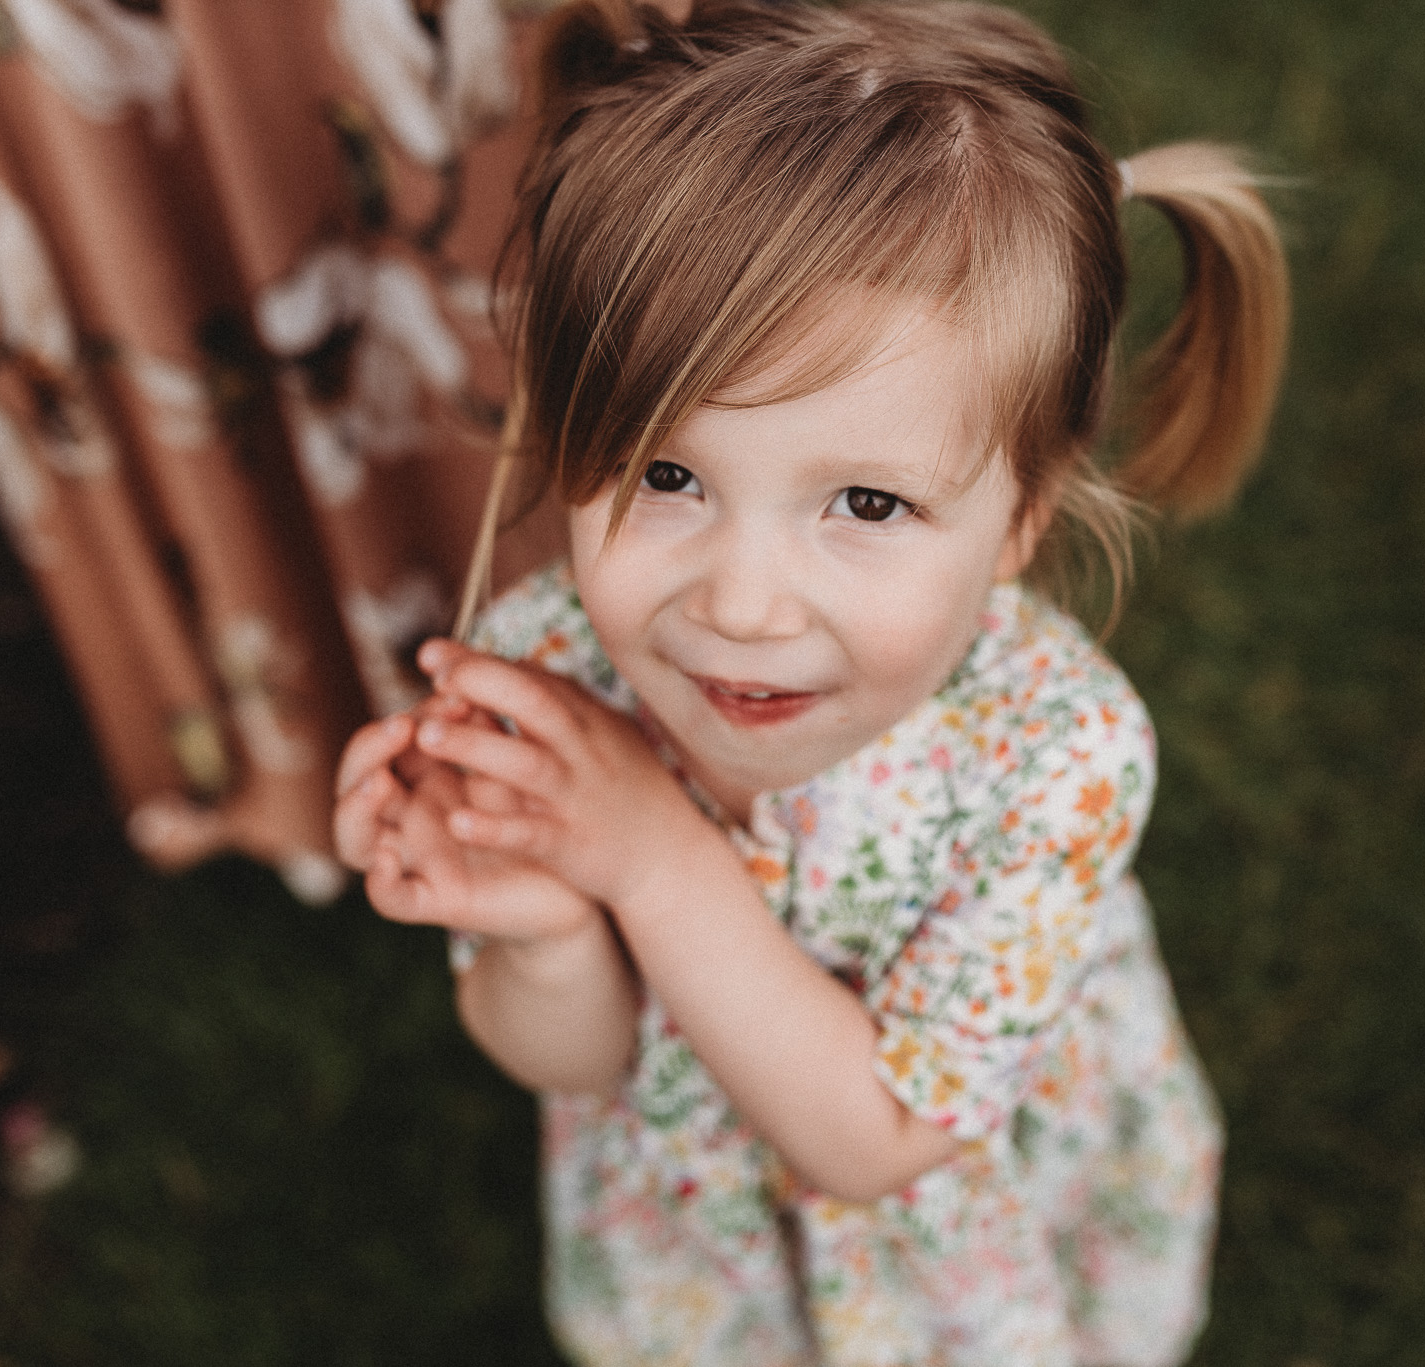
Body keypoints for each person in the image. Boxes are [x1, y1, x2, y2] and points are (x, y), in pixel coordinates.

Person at [332, 0, 1288, 1361]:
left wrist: (650, 857)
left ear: (1020, 515)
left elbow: (876, 1137)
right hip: (697, 1262)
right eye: (668, 477)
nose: (741, 605)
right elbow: (577, 1061)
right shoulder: (550, 671)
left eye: (867, 505)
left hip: (942, 1265)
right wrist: (539, 928)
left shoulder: (1057, 758)